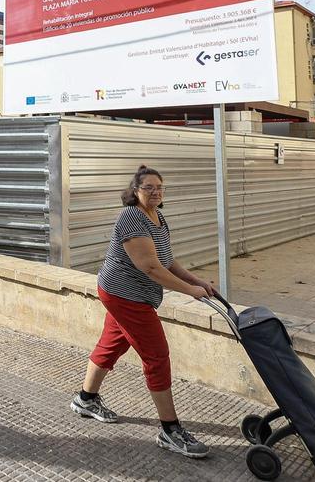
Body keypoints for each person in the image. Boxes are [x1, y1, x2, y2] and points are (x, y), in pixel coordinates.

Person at [70, 164, 218, 459]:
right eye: (148, 187)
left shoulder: (158, 217)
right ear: (135, 191)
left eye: (159, 187)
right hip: (124, 294)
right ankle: (170, 430)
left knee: (112, 343)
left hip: (131, 294)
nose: (155, 192)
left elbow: (166, 260)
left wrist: (197, 281)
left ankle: (85, 399)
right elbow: (149, 267)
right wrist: (190, 292)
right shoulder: (131, 218)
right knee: (157, 356)